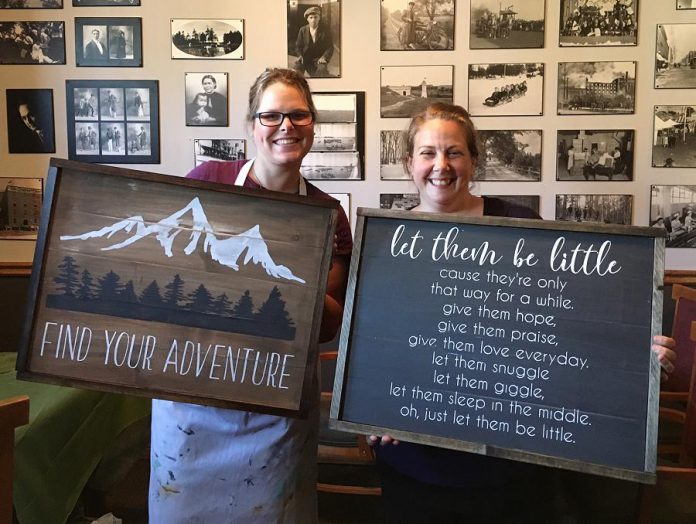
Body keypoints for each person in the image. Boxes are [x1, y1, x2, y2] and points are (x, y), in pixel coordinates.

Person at [368, 103, 678, 523]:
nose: (441, 165)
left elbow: (572, 324)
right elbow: (377, 342)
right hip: (416, 465)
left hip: (510, 468)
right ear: (409, 162)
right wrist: (368, 406)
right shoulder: (388, 242)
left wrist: (635, 355)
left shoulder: (520, 226)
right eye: (427, 153)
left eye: (454, 152)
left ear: (473, 160)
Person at [149, 67, 352, 523]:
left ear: (313, 125)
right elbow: (164, 273)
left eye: (298, 115)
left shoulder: (328, 215)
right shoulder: (208, 180)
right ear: (251, 125)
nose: (286, 126)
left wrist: (288, 276)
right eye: (272, 115)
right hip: (194, 401)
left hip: (275, 409)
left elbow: (328, 325)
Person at [293, 6, 334, 77]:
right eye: (311, 17)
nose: (313, 20)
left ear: (319, 18)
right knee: (296, 71)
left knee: (321, 71)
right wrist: (300, 55)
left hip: (319, 59)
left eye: (315, 17)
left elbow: (330, 47)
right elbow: (298, 46)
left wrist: (324, 57)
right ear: (307, 19)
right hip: (305, 58)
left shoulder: (325, 30)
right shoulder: (302, 30)